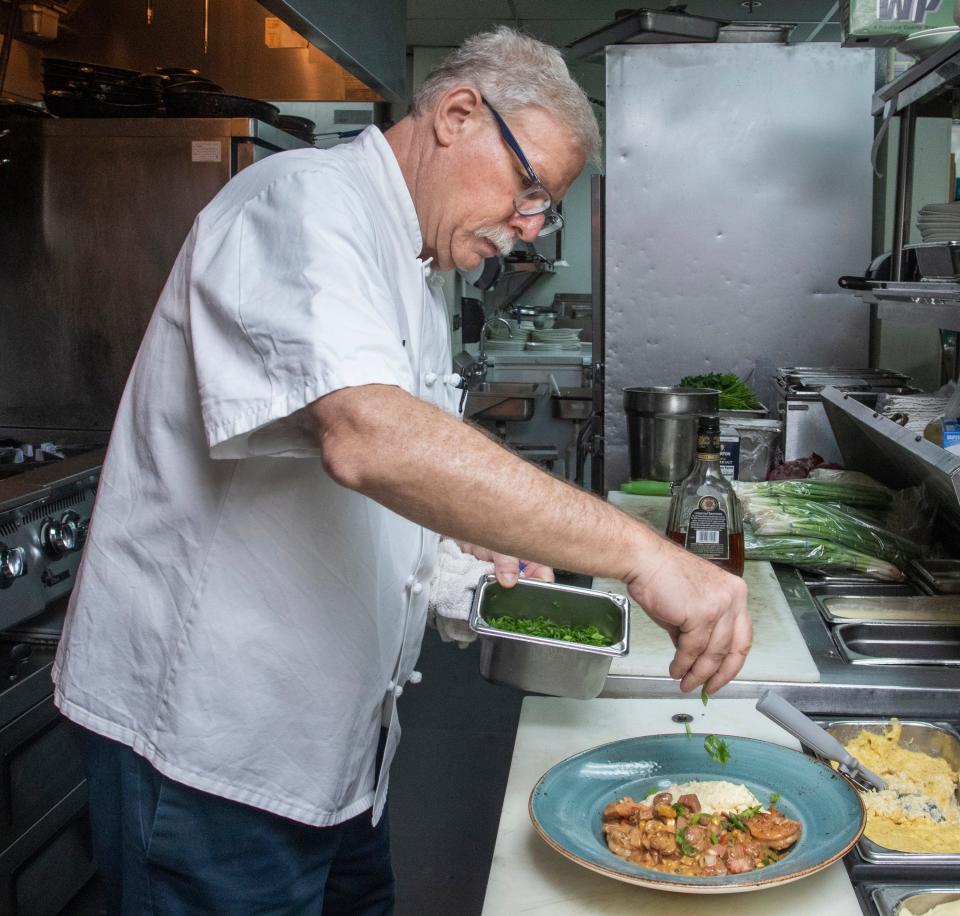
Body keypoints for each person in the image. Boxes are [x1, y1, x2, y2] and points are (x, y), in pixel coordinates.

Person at [54, 26, 751, 916]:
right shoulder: (303, 204)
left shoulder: (413, 270)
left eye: (547, 209)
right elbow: (367, 436)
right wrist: (643, 555)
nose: (530, 226)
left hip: (335, 751)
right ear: (458, 114)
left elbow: (372, 486)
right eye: (529, 188)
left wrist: (469, 566)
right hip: (210, 751)